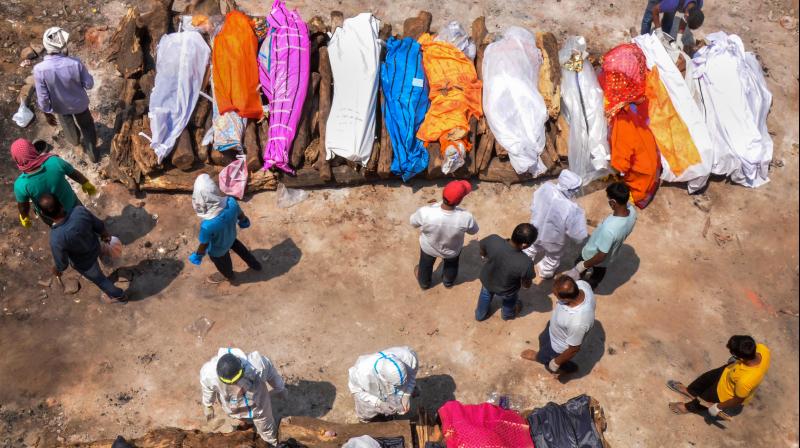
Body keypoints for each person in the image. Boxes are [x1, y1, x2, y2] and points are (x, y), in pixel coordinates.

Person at [40, 193, 125, 301]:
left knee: (101, 280)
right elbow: (99, 225)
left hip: (85, 264)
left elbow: (62, 263)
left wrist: (57, 269)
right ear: (61, 204)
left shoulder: (56, 238)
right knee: (99, 269)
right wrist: (104, 234)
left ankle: (119, 295)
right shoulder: (79, 211)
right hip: (95, 246)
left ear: (44, 214)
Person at [33, 27, 98, 162]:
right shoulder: (75, 63)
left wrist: (47, 112)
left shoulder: (39, 69)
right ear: (63, 46)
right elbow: (89, 84)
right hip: (80, 105)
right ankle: (93, 154)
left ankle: (77, 144)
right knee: (87, 126)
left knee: (68, 126)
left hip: (60, 107)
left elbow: (43, 97)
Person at [200, 347, 287, 445]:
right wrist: (208, 404)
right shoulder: (208, 374)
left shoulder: (256, 364)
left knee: (266, 427)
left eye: (237, 379)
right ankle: (247, 425)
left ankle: (271, 442)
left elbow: (271, 373)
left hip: (259, 404)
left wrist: (280, 387)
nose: (236, 384)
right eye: (231, 382)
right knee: (241, 419)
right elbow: (207, 388)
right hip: (232, 406)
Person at [668, 335, 771, 418]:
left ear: (740, 357)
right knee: (703, 380)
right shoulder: (763, 349)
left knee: (703, 399)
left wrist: (718, 406)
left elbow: (738, 399)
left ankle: (687, 408)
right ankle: (690, 391)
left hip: (723, 392)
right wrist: (736, 361)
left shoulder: (746, 380)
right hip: (728, 371)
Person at [188, 174, 261, 284]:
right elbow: (241, 216)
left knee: (223, 264)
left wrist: (198, 255)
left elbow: (204, 244)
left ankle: (229, 276)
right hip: (231, 237)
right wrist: (244, 221)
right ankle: (255, 265)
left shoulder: (207, 226)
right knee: (242, 250)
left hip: (218, 250)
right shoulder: (231, 202)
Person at [565, 182, 637, 289]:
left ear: (613, 202)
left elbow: (600, 256)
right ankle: (591, 286)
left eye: (609, 200)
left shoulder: (609, 229)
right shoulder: (632, 212)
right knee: (598, 273)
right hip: (607, 260)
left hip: (590, 255)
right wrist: (596, 224)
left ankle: (580, 287)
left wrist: (581, 266)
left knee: (579, 271)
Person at [410, 180, 479, 289]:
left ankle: (424, 283)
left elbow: (413, 222)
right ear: (459, 201)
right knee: (451, 265)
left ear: (443, 194)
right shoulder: (466, 217)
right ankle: (448, 282)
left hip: (429, 248)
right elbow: (473, 231)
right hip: (452, 250)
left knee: (425, 265)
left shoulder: (426, 212)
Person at [12, 138, 96, 228]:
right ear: (33, 149)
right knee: (83, 220)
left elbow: (23, 207)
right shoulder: (54, 161)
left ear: (17, 160)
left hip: (51, 216)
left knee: (64, 231)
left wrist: (24, 217)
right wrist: (85, 183)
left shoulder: (21, 185)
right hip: (72, 203)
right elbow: (73, 173)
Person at [520, 275, 596, 375]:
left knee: (545, 358)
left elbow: (574, 349)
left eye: (556, 296)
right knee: (542, 338)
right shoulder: (582, 285)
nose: (555, 298)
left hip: (558, 346)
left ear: (566, 299)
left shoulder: (579, 322)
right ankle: (546, 356)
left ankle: (565, 367)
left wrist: (556, 363)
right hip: (555, 328)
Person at [524, 170, 588, 280]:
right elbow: (578, 235)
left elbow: (533, 205)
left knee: (532, 246)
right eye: (575, 188)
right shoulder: (573, 209)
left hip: (535, 228)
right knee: (552, 257)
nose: (577, 190)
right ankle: (545, 272)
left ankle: (524, 259)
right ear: (570, 189)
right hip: (554, 239)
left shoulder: (546, 187)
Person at [475, 223, 537, 321]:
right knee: (509, 302)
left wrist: (485, 256)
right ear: (525, 245)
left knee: (485, 295)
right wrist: (526, 285)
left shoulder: (493, 239)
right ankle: (507, 315)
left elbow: (482, 249)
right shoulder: (526, 263)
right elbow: (526, 284)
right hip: (507, 291)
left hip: (487, 281)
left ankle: (480, 315)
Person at [348, 346, 419, 422]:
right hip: (369, 394)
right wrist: (379, 403)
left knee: (392, 404)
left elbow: (412, 377)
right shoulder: (361, 373)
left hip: (389, 387)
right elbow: (357, 391)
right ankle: (367, 420)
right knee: (367, 411)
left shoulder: (409, 358)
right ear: (383, 377)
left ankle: (389, 416)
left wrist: (406, 395)